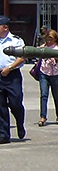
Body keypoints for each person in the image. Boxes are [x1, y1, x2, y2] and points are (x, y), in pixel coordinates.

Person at [0, 15, 27, 143]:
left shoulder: (16, 41)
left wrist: (10, 68)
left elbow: (22, 57)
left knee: (15, 103)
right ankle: (4, 135)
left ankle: (20, 124)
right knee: (1, 106)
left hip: (12, 75)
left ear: (5, 27)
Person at [37, 29, 58, 126]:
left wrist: (55, 56)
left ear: (55, 39)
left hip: (55, 74)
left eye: (51, 39)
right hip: (44, 73)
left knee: (56, 95)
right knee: (44, 95)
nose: (49, 41)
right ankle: (43, 117)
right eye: (47, 39)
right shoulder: (43, 47)